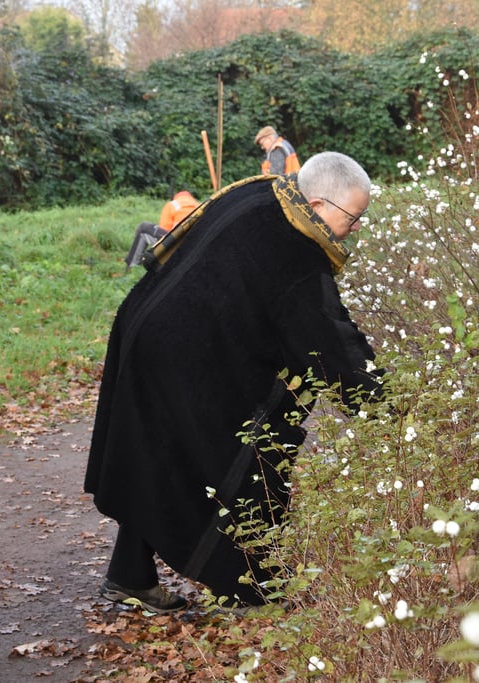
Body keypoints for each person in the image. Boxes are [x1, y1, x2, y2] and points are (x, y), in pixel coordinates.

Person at [85, 152, 384, 612]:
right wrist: (387, 407)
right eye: (354, 216)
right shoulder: (297, 249)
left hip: (147, 328)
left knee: (158, 455)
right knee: (246, 459)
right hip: (177, 352)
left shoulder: (263, 193)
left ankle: (130, 577)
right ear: (320, 203)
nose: (357, 228)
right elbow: (329, 341)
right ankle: (250, 589)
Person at [123, 189, 199, 270]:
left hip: (176, 244)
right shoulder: (199, 205)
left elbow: (164, 230)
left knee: (143, 227)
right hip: (194, 243)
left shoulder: (172, 205)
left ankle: (132, 265)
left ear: (176, 197)